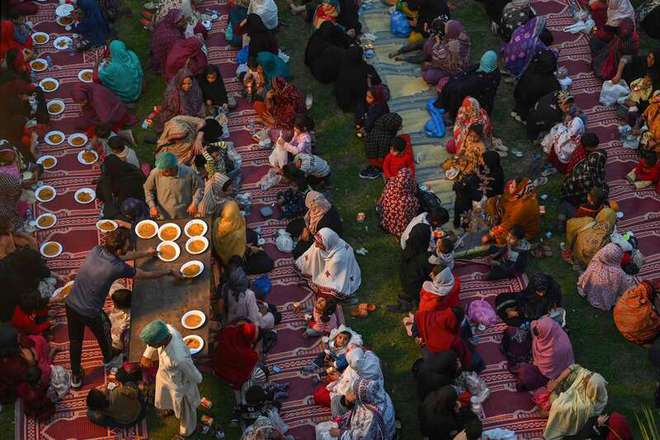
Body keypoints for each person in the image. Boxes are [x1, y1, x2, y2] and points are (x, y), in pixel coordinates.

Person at [66, 229, 179, 388]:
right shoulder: (117, 268)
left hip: (71, 303)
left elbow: (120, 257)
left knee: (75, 341)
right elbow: (143, 274)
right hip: (91, 311)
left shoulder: (96, 250)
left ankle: (76, 376)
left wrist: (145, 253)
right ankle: (108, 357)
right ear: (118, 250)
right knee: (105, 331)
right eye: (126, 247)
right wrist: (168, 271)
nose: (128, 250)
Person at [140, 320, 203, 439]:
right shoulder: (166, 329)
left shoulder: (179, 358)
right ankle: (171, 409)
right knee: (165, 396)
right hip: (164, 376)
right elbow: (151, 343)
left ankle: (186, 432)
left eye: (152, 344)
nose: (151, 346)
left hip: (180, 384)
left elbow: (195, 375)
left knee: (186, 410)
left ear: (160, 341)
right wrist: (146, 355)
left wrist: (195, 380)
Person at [543, 365, 608, 440]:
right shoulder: (594, 382)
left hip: (563, 408)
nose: (585, 377)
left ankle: (551, 418)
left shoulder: (588, 407)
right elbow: (574, 367)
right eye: (590, 374)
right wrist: (557, 381)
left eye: (586, 382)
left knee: (558, 404)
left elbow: (564, 407)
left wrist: (554, 393)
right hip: (566, 390)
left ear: (591, 387)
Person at [296, 227, 362, 301]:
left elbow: (329, 278)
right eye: (316, 242)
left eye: (319, 244)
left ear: (327, 243)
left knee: (329, 294)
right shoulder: (325, 243)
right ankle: (310, 272)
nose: (316, 245)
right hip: (329, 263)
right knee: (316, 250)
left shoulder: (338, 259)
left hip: (339, 274)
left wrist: (316, 281)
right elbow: (309, 255)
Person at [436, 50, 501, 120]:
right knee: (452, 84)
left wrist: (459, 83)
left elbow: (470, 87)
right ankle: (446, 106)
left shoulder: (490, 78)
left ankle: (452, 114)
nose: (482, 64)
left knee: (457, 91)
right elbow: (467, 72)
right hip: (472, 89)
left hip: (479, 101)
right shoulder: (483, 68)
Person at [513, 317, 574, 390]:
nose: (537, 337)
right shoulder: (551, 330)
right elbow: (534, 325)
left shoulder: (554, 351)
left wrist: (535, 362)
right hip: (544, 361)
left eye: (539, 334)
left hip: (552, 372)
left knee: (525, 373)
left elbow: (546, 370)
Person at [212, 201, 274, 273]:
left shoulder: (218, 221)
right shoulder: (236, 235)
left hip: (234, 248)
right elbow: (236, 254)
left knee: (253, 235)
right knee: (267, 263)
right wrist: (249, 249)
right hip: (233, 260)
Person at [577, 243, 638, 311]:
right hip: (604, 300)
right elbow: (624, 289)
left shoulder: (595, 261)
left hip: (590, 291)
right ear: (617, 257)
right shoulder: (618, 273)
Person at [330, 378, 396, 439]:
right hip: (383, 430)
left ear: (360, 397)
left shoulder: (372, 417)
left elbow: (363, 437)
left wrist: (340, 433)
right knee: (337, 401)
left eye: (353, 393)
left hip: (382, 436)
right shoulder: (379, 394)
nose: (350, 393)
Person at [143, 152, 202, 219]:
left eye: (165, 171)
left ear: (173, 167)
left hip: (185, 214)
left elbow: (199, 187)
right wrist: (152, 206)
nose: (161, 173)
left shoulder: (188, 172)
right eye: (160, 170)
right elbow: (147, 188)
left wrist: (195, 203)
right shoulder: (156, 172)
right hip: (163, 216)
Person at [286, 191, 343, 259]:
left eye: (310, 206)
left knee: (298, 252)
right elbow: (308, 219)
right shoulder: (319, 207)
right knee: (291, 227)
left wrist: (307, 238)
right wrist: (305, 228)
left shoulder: (326, 221)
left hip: (322, 241)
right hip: (313, 229)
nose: (309, 209)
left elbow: (321, 240)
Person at [511, 50, 560, 128]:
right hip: (532, 101)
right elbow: (555, 92)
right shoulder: (550, 80)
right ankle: (523, 118)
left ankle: (516, 112)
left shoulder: (533, 66)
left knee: (522, 102)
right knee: (527, 107)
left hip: (521, 94)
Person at [483, 178, 540, 245]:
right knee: (491, 202)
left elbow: (508, 224)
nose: (509, 186)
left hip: (520, 229)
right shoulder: (524, 194)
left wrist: (490, 234)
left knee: (500, 239)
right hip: (512, 217)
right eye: (511, 184)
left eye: (512, 186)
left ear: (519, 191)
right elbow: (506, 201)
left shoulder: (523, 208)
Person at [217, 263, 274, 328]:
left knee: (266, 306)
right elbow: (253, 320)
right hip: (244, 325)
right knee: (271, 316)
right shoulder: (249, 294)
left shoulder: (226, 287)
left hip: (230, 321)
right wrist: (261, 313)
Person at [334, 46, 381, 117]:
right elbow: (377, 81)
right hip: (357, 99)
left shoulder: (342, 67)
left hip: (345, 99)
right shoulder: (366, 68)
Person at [421, 20, 471, 87]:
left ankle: (447, 78)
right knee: (429, 44)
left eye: (446, 29)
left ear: (451, 31)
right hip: (446, 64)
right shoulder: (459, 36)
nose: (445, 31)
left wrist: (437, 44)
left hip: (454, 70)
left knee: (428, 75)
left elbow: (441, 59)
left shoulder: (454, 45)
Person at [560, 140, 608, 208]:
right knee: (597, 197)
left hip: (566, 185)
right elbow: (597, 186)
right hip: (570, 194)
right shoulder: (590, 178)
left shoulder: (584, 162)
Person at [212, 321, 259, 389]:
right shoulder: (248, 355)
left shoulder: (229, 330)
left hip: (216, 360)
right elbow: (245, 373)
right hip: (226, 374)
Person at [71, 83, 137, 132]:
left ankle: (121, 132)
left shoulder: (98, 99)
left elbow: (106, 119)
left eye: (82, 101)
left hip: (115, 116)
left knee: (78, 123)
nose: (81, 105)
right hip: (114, 107)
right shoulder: (89, 88)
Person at [97, 155, 146, 219]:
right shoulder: (130, 166)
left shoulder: (116, 179)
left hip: (133, 203)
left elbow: (107, 196)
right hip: (143, 194)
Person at [613, 281, 660, 345]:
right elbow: (656, 321)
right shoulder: (646, 309)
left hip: (623, 328)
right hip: (638, 336)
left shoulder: (625, 297)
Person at [377, 168, 420, 237]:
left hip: (385, 218)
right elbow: (414, 212)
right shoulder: (410, 200)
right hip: (399, 228)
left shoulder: (390, 184)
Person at [360, 113, 403, 179]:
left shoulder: (378, 127)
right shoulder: (385, 138)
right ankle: (378, 169)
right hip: (377, 159)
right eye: (398, 126)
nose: (400, 127)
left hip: (372, 153)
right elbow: (382, 154)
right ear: (391, 126)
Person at [109, 287, 131, 354]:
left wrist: (117, 347)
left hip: (126, 339)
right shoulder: (128, 304)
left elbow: (119, 335)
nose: (113, 304)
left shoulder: (126, 320)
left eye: (114, 303)